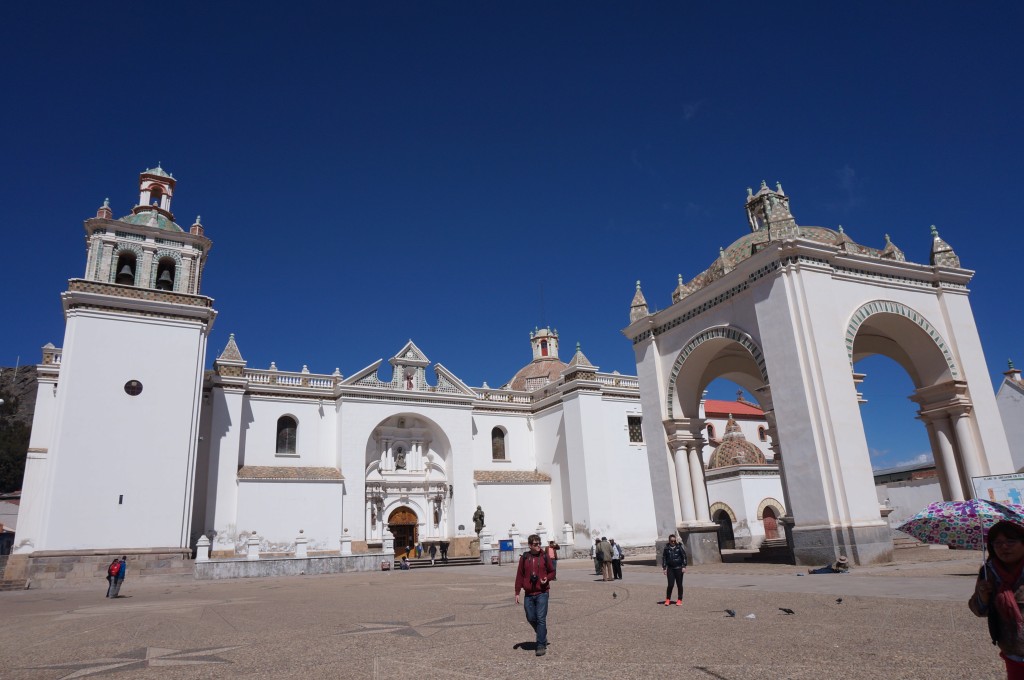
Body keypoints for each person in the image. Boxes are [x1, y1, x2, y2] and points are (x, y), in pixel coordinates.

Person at [969, 520, 1024, 679]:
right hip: (1013, 649)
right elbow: (979, 610)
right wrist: (983, 598)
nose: (1004, 547)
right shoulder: (988, 572)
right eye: (997, 543)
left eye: (1010, 541)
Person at [514, 534, 555, 657]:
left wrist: (546, 579)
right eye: (536, 544)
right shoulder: (525, 558)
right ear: (530, 545)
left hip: (542, 592)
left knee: (541, 618)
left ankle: (541, 645)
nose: (538, 546)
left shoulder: (544, 556)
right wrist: (517, 592)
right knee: (531, 617)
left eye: (539, 543)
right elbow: (519, 575)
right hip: (529, 593)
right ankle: (542, 633)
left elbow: (552, 572)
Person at [662, 534, 687, 606]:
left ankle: (679, 599)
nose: (673, 542)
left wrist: (684, 566)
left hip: (678, 568)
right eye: (671, 541)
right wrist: (664, 567)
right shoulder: (666, 548)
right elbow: (664, 558)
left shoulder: (679, 547)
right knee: (670, 584)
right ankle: (667, 599)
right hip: (670, 568)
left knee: (679, 585)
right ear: (669, 541)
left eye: (674, 541)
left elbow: (684, 557)